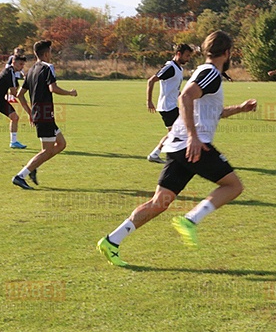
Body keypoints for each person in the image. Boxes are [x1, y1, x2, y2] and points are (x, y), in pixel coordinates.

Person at [97, 31, 257, 266]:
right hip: (192, 146)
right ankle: (191, 220)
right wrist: (193, 137)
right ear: (228, 53)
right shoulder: (211, 73)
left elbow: (213, 112)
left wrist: (240, 109)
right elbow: (185, 98)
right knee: (233, 186)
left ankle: (112, 240)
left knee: (159, 202)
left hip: (178, 145)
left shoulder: (207, 74)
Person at [11, 40, 78, 190]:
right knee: (47, 150)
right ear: (46, 53)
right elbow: (52, 88)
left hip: (42, 114)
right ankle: (20, 175)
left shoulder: (32, 70)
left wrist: (30, 112)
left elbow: (20, 95)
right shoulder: (48, 67)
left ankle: (33, 166)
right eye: (51, 52)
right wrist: (70, 93)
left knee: (61, 144)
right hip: (44, 115)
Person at [146, 44, 194, 164]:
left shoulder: (179, 69)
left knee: (176, 132)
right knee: (180, 132)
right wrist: (149, 101)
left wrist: (183, 98)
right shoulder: (170, 67)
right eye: (187, 56)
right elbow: (151, 80)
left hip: (172, 106)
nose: (188, 59)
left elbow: (174, 89)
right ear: (178, 54)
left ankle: (156, 154)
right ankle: (177, 158)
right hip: (167, 107)